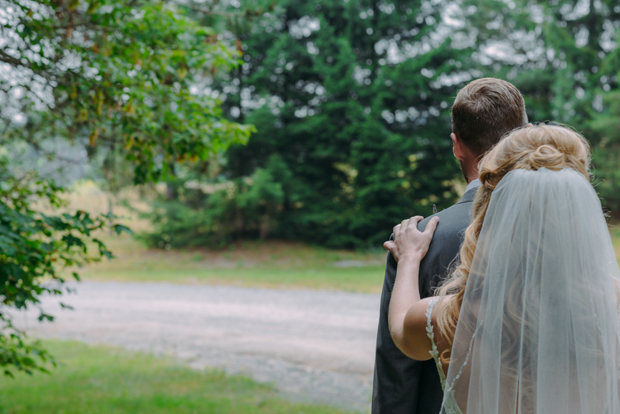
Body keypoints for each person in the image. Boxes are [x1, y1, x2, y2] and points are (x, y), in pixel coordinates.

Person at [386, 124, 620, 414]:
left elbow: (399, 330)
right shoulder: (613, 303)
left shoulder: (448, 319)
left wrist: (409, 260)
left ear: (489, 212)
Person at [372, 78, 528, 414]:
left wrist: (408, 262)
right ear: (524, 136)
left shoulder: (421, 239)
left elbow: (397, 370)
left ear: (457, 145)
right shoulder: (556, 236)